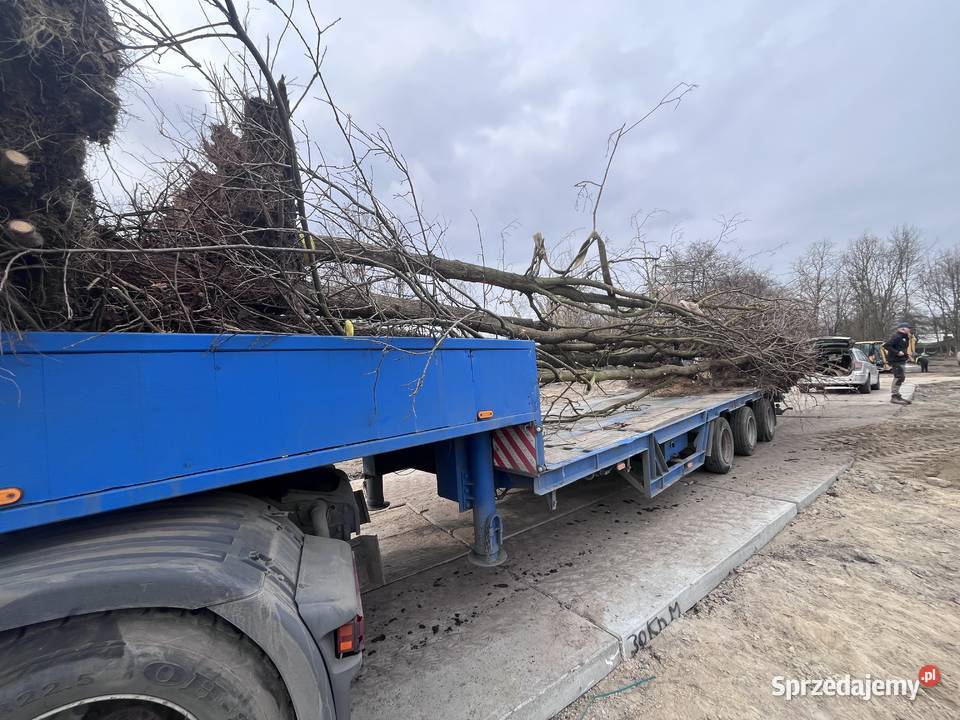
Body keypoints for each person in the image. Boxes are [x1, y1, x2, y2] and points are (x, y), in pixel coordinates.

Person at [883, 322, 912, 404]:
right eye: (908, 328)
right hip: (896, 360)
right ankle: (894, 396)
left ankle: (897, 395)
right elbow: (887, 345)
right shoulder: (897, 336)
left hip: (901, 360)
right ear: (902, 328)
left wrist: (906, 355)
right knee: (899, 377)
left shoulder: (904, 337)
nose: (910, 329)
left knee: (901, 377)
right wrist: (897, 352)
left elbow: (902, 348)